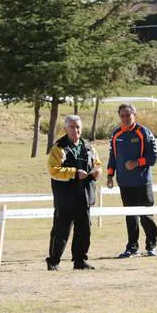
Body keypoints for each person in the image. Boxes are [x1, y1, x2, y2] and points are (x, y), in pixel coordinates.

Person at [47, 115, 101, 271]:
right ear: (65, 129)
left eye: (77, 127)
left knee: (84, 231)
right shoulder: (58, 147)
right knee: (61, 231)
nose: (75, 130)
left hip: (84, 196)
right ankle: (53, 261)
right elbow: (53, 170)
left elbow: (97, 164)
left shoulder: (89, 147)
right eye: (71, 127)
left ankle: (80, 261)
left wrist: (97, 172)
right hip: (66, 197)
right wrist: (74, 173)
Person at [107, 104, 157, 258]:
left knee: (146, 215)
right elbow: (113, 157)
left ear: (134, 115)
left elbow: (154, 157)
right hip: (124, 183)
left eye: (128, 115)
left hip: (142, 182)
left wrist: (137, 163)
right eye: (122, 115)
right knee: (130, 216)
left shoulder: (144, 132)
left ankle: (151, 245)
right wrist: (110, 175)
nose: (125, 118)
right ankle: (132, 247)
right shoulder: (116, 134)